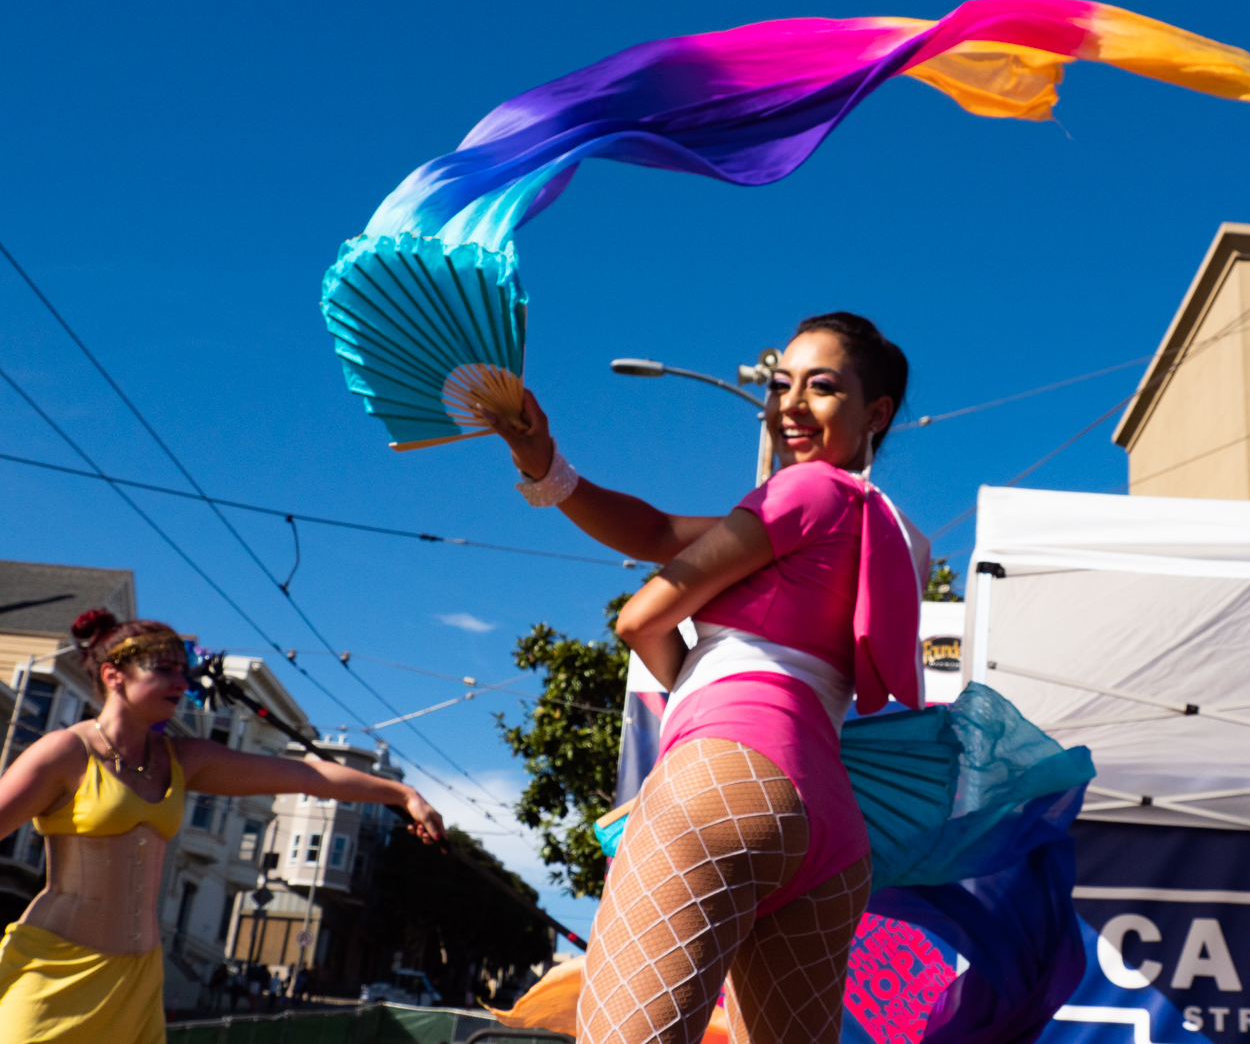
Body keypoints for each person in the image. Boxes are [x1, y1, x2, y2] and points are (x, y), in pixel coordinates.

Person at [487, 312, 925, 1044]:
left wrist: (542, 468)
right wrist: (547, 469)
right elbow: (659, 531)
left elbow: (640, 618)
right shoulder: (896, 534)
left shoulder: (803, 491)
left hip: (725, 781)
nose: (789, 403)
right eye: (782, 384)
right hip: (831, 837)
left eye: (820, 387)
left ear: (875, 412)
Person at [0, 610, 445, 1043]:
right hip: (54, 969)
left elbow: (307, 776)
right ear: (115, 675)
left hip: (136, 979)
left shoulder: (182, 759)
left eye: (184, 670)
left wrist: (401, 795)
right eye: (165, 670)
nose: (181, 682)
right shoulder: (64, 753)